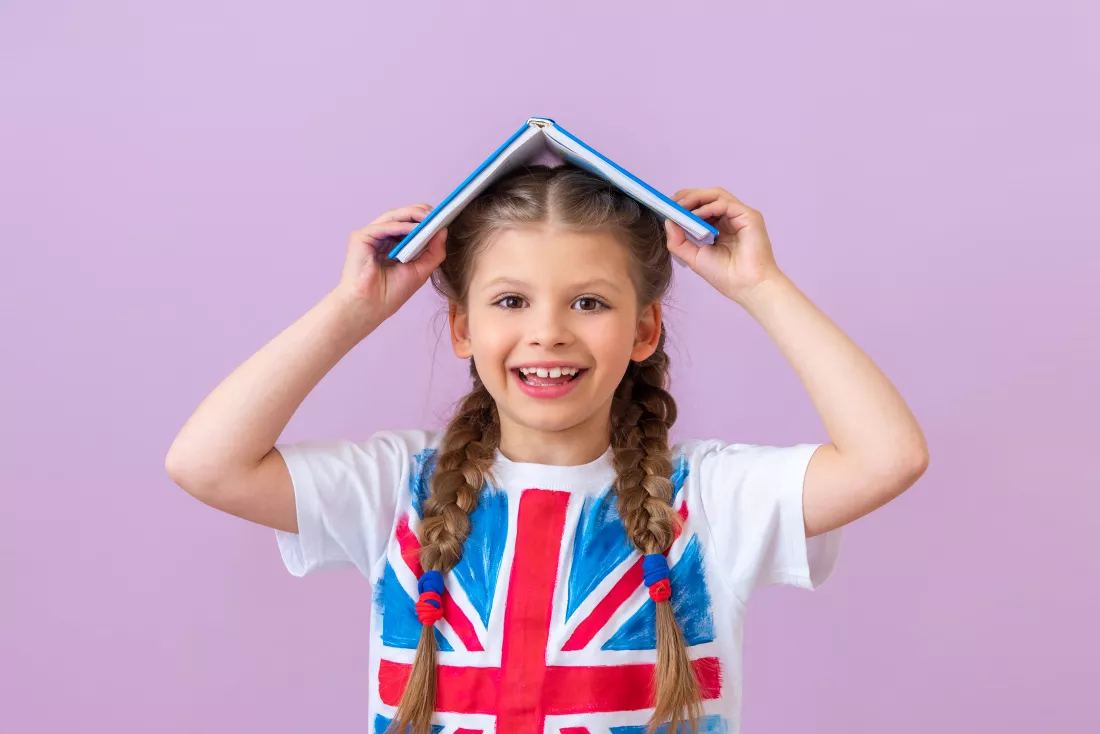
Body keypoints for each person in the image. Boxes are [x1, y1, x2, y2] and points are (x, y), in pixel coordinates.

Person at [166, 163, 929, 734]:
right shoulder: (396, 486)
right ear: (462, 327)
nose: (548, 332)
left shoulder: (708, 497)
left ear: (644, 329)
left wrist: (761, 286)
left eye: (589, 302)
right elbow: (206, 464)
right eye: (510, 301)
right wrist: (350, 309)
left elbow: (887, 457)